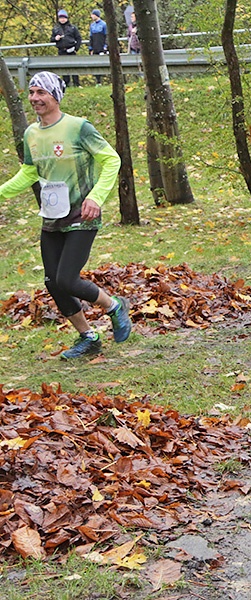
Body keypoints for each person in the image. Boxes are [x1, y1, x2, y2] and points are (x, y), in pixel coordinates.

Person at [0, 72, 131, 359]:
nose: (34, 98)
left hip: (82, 214)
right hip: (52, 216)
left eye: (41, 93)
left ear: (55, 96)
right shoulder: (31, 134)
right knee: (52, 281)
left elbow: (111, 160)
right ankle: (89, 337)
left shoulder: (78, 128)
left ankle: (114, 306)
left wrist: (96, 197)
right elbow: (29, 173)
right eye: (31, 92)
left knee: (68, 279)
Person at [51, 9, 82, 87]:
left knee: (74, 68)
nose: (62, 19)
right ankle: (66, 84)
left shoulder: (72, 28)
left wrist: (76, 48)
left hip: (71, 50)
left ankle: (76, 84)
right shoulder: (56, 28)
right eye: (61, 18)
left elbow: (78, 38)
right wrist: (56, 38)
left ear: (67, 18)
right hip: (61, 51)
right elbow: (51, 39)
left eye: (64, 18)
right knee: (64, 68)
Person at [88, 9, 108, 85]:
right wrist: (90, 48)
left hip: (102, 47)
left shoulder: (103, 24)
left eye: (93, 15)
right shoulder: (92, 25)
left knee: (103, 64)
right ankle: (98, 81)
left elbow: (106, 36)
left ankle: (105, 80)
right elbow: (91, 38)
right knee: (95, 64)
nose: (91, 16)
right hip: (95, 47)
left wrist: (105, 46)